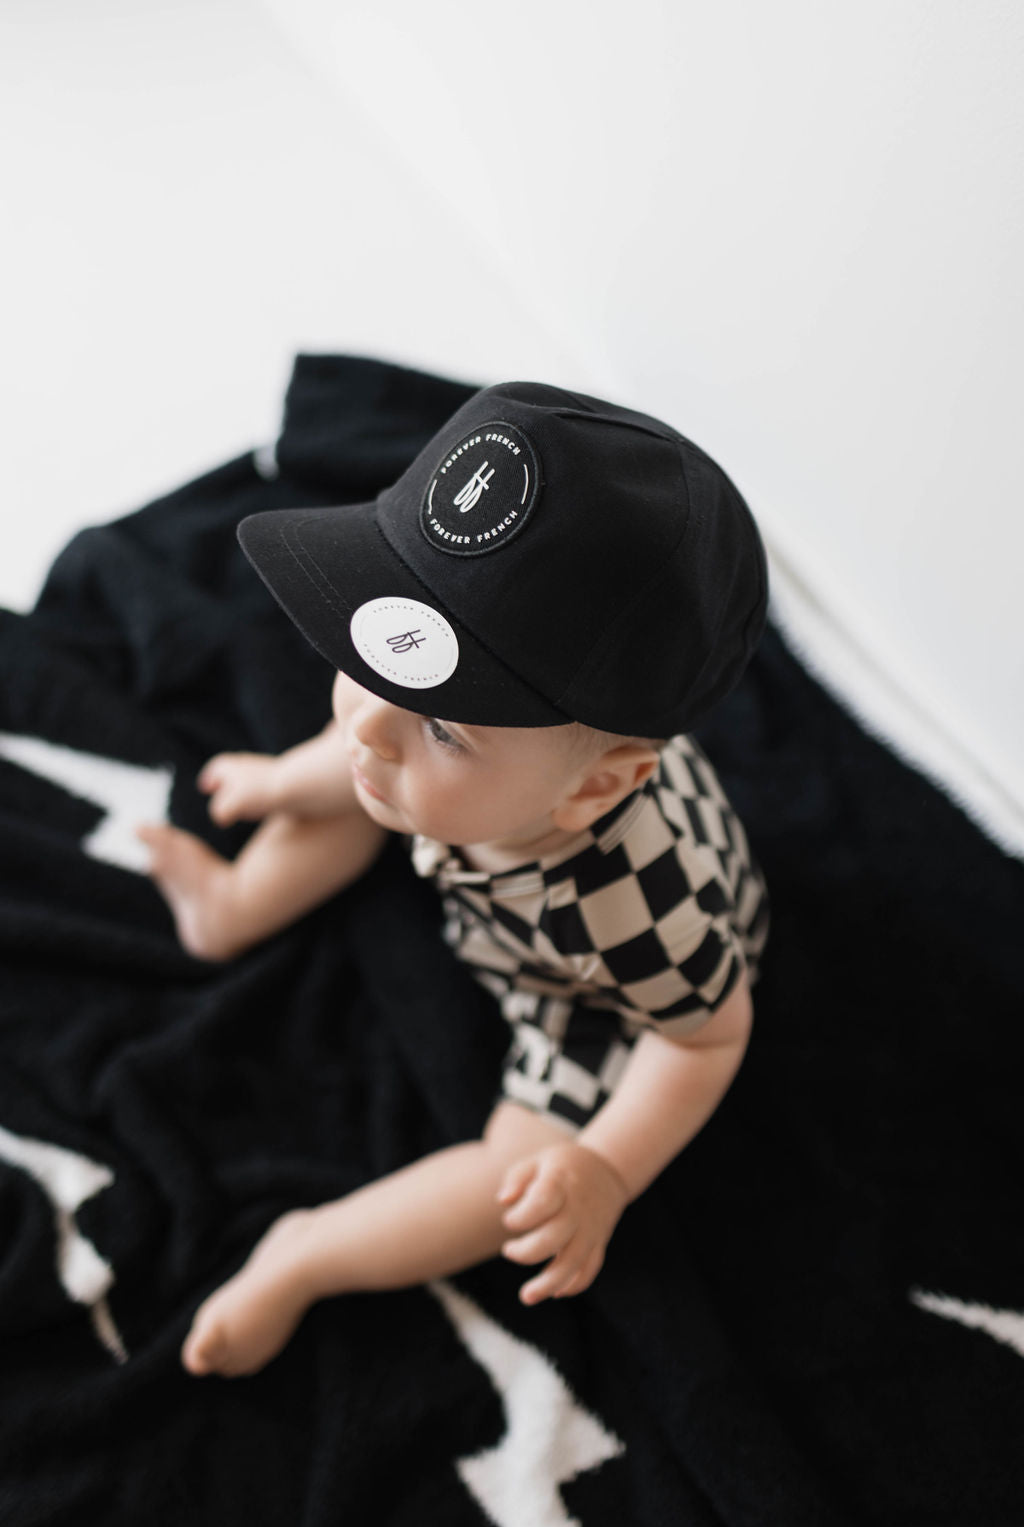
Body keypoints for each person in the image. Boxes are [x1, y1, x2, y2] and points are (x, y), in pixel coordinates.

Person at [137, 380, 770, 1378]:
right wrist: (279, 780)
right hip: (480, 845)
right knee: (357, 787)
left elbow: (706, 1035)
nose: (370, 718)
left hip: (580, 1001)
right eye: (377, 649)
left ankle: (306, 1254)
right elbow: (371, 734)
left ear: (594, 786)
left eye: (443, 719)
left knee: (513, 1174)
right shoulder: (436, 757)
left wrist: (605, 1169)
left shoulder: (637, 910)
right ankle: (233, 905)